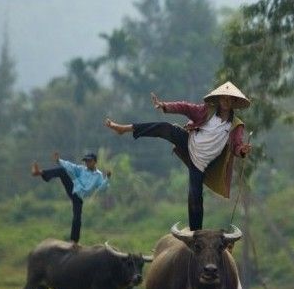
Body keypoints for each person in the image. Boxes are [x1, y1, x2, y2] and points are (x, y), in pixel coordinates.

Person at [105, 81, 252, 231]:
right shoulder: (208, 111)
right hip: (189, 143)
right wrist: (165, 106)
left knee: (195, 197)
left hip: (200, 164)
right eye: (223, 98)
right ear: (219, 99)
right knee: (165, 128)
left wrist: (242, 150)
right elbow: (185, 107)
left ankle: (196, 234)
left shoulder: (236, 125)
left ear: (234, 102)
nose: (226, 102)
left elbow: (236, 146)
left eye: (229, 99)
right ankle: (125, 128)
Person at [32, 152, 111, 244]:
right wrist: (59, 160)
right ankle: (40, 172)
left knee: (77, 218)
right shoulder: (82, 169)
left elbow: (102, 188)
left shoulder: (98, 176)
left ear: (95, 162)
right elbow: (71, 166)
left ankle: (74, 241)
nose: (87, 163)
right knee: (62, 170)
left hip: (78, 197)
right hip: (72, 187)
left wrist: (107, 178)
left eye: (89, 161)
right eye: (86, 161)